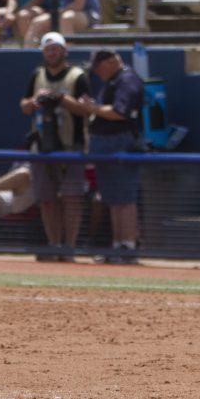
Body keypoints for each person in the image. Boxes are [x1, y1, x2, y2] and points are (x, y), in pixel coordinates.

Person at [19, 32, 93, 262]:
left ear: (65, 50)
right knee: (47, 198)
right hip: (43, 145)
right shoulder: (37, 75)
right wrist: (35, 101)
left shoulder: (78, 76)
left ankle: (69, 247)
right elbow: (24, 105)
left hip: (72, 144)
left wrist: (60, 98)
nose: (52, 52)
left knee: (72, 198)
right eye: (48, 49)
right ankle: (54, 244)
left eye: (56, 48)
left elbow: (87, 109)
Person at [86, 49, 144, 264]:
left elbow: (120, 112)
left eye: (98, 67)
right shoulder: (113, 80)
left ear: (111, 62)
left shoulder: (127, 79)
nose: (96, 72)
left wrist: (94, 108)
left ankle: (127, 246)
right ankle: (117, 244)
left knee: (125, 198)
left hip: (121, 143)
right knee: (112, 198)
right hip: (105, 145)